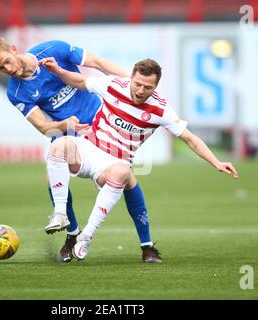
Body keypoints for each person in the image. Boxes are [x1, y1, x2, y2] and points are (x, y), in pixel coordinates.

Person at [0, 35, 161, 263]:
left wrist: (131, 87)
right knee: (52, 173)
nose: (7, 69)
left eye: (6, 61)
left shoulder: (54, 49)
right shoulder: (15, 93)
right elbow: (43, 127)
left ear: (14, 49)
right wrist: (62, 125)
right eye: (0, 68)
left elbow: (98, 63)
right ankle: (72, 234)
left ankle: (147, 246)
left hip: (100, 123)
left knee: (126, 178)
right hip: (68, 133)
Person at [41, 56, 239, 261]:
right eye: (137, 84)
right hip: (88, 149)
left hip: (113, 163)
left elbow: (190, 138)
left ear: (156, 86)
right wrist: (57, 70)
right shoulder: (114, 85)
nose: (140, 90)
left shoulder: (161, 109)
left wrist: (216, 162)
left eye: (148, 87)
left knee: (124, 173)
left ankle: (87, 236)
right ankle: (60, 214)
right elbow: (79, 81)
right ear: (131, 78)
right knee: (58, 145)